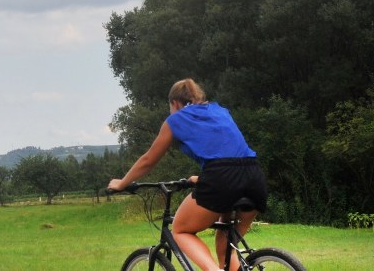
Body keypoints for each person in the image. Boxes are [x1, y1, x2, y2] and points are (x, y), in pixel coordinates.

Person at [108, 78, 267, 271]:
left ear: (174, 103)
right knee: (226, 245)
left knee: (181, 230)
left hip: (222, 178)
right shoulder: (220, 111)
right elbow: (232, 156)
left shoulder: (175, 119)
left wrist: (123, 183)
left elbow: (148, 160)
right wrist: (201, 179)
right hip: (254, 175)